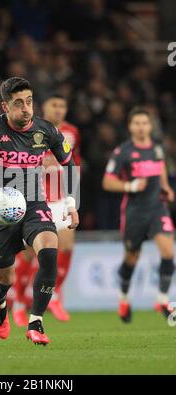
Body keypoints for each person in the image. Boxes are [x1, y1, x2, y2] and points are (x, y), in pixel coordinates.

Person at [0, 77, 79, 345]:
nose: (26, 109)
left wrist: (71, 204)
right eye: (18, 104)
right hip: (0, 211)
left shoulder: (46, 131)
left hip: (35, 203)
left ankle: (36, 321)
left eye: (29, 102)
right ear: (5, 106)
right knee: (4, 279)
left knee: (49, 250)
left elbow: (69, 164)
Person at [12, 93, 81, 326]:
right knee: (31, 254)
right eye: (55, 105)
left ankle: (56, 294)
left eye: (63, 105)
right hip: (37, 198)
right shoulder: (33, 130)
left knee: (68, 244)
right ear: (45, 107)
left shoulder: (72, 131)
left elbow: (71, 161)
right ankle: (20, 302)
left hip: (60, 198)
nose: (59, 109)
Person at [102, 107, 175, 323]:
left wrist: (165, 187)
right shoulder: (123, 152)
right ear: (130, 126)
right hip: (134, 212)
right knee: (132, 258)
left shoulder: (158, 149)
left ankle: (162, 299)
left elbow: (160, 168)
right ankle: (123, 298)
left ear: (150, 126)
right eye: (137, 123)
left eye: (145, 123)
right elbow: (107, 182)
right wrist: (131, 185)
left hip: (157, 208)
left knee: (168, 251)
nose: (141, 127)